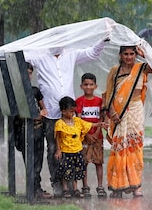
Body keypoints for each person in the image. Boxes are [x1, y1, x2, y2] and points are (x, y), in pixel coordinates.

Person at [26, 37, 110, 197]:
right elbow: (21, 56)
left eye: (61, 40)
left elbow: (92, 53)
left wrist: (102, 40)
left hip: (70, 114)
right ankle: (58, 184)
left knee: (74, 148)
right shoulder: (40, 56)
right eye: (54, 40)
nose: (57, 44)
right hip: (51, 113)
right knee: (54, 149)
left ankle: (72, 185)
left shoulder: (71, 54)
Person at [103, 45, 152, 198]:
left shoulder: (141, 67)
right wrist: (112, 112)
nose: (129, 57)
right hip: (118, 112)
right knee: (119, 147)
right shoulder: (115, 71)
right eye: (126, 54)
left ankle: (136, 185)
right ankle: (117, 185)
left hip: (136, 111)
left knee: (135, 147)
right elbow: (109, 93)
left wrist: (145, 55)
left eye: (132, 54)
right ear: (120, 55)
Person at [54, 96, 107, 198]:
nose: (73, 114)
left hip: (77, 151)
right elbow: (58, 138)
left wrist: (99, 124)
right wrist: (58, 150)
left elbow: (88, 124)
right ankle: (65, 189)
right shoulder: (59, 124)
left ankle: (75, 189)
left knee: (75, 171)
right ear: (63, 111)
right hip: (66, 151)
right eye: (71, 111)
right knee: (65, 171)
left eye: (74, 111)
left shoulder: (77, 121)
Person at [13, 62, 51, 199]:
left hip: (38, 130)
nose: (27, 75)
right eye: (25, 72)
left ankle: (37, 187)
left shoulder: (35, 91)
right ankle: (33, 188)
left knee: (38, 160)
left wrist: (39, 115)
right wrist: (30, 116)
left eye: (29, 73)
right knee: (29, 160)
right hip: (24, 131)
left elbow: (44, 109)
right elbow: (17, 113)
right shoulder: (16, 92)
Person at [75, 73, 107, 198]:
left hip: (97, 137)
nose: (88, 87)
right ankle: (85, 187)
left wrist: (97, 132)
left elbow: (102, 118)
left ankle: (100, 186)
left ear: (95, 86)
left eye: (91, 84)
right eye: (86, 84)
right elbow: (78, 120)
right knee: (84, 162)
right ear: (81, 86)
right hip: (84, 138)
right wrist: (87, 134)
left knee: (98, 162)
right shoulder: (79, 101)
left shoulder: (100, 101)